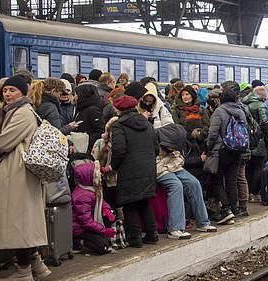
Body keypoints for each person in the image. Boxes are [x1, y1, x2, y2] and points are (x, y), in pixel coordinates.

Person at [0, 75, 50, 281]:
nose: (7, 94)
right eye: (5, 91)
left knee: (18, 224)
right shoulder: (21, 111)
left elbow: (3, 142)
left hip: (17, 174)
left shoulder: (21, 113)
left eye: (12, 90)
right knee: (24, 222)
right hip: (20, 174)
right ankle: (37, 265)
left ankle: (23, 274)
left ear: (22, 92)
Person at [110, 95, 159, 248]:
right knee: (144, 201)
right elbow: (156, 147)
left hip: (128, 168)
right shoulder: (147, 123)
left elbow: (118, 149)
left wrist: (115, 166)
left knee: (129, 203)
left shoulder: (119, 126)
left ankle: (135, 237)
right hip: (148, 167)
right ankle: (152, 233)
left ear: (119, 109)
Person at [156, 123, 217, 239]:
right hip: (161, 171)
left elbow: (180, 159)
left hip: (173, 167)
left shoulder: (174, 141)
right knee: (176, 186)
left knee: (194, 183)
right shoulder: (155, 143)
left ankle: (203, 222)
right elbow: (157, 165)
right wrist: (169, 166)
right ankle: (175, 228)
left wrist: (170, 165)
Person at [207, 81, 247, 224]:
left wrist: (209, 147)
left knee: (216, 180)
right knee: (231, 181)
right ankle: (235, 209)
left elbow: (213, 133)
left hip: (222, 150)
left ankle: (226, 209)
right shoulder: (241, 111)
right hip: (237, 150)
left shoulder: (219, 111)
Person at [71, 162, 115, 254]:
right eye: (97, 173)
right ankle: (79, 242)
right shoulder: (82, 196)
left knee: (105, 239)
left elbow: (99, 201)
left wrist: (106, 209)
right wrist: (103, 231)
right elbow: (85, 221)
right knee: (103, 246)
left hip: (87, 225)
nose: (100, 175)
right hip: (79, 229)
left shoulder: (89, 189)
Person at [242, 86, 268, 202]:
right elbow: (264, 122)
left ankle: (247, 192)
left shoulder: (244, 103)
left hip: (247, 138)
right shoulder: (260, 105)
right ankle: (254, 193)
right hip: (259, 140)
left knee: (248, 167)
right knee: (258, 167)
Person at [74, 84, 105, 154]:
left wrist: (85, 140)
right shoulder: (81, 108)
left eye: (76, 94)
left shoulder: (93, 110)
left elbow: (100, 131)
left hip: (88, 149)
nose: (74, 97)